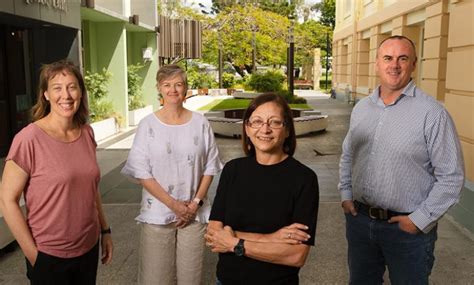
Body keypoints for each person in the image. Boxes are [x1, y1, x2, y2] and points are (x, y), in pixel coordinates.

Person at [339, 35, 465, 285]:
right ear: (376, 63)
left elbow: (451, 177)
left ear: (413, 65)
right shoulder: (361, 108)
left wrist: (419, 221)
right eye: (387, 58)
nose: (394, 65)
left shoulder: (432, 114)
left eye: (402, 58)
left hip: (407, 232)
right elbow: (348, 155)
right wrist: (345, 194)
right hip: (361, 223)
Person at [0, 59, 113, 284]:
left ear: (81, 92)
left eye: (72, 86)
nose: (66, 95)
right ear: (46, 95)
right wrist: (34, 256)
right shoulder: (28, 139)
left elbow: (91, 188)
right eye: (57, 88)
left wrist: (105, 230)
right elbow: (7, 200)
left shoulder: (86, 133)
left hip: (88, 248)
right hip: (48, 255)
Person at [121, 64, 222, 285]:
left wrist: (194, 203)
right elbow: (140, 170)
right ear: (159, 88)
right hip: (157, 211)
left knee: (190, 277)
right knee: (155, 277)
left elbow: (211, 166)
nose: (173, 90)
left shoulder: (200, 123)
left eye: (178, 84)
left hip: (194, 212)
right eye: (167, 85)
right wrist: (173, 204)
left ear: (186, 88)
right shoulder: (148, 125)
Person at [205, 93, 319, 284]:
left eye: (274, 122)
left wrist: (234, 242)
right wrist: (273, 238)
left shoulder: (304, 179)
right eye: (256, 121)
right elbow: (213, 234)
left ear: (287, 130)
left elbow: (296, 255)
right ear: (247, 129)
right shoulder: (232, 170)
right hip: (227, 280)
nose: (264, 129)